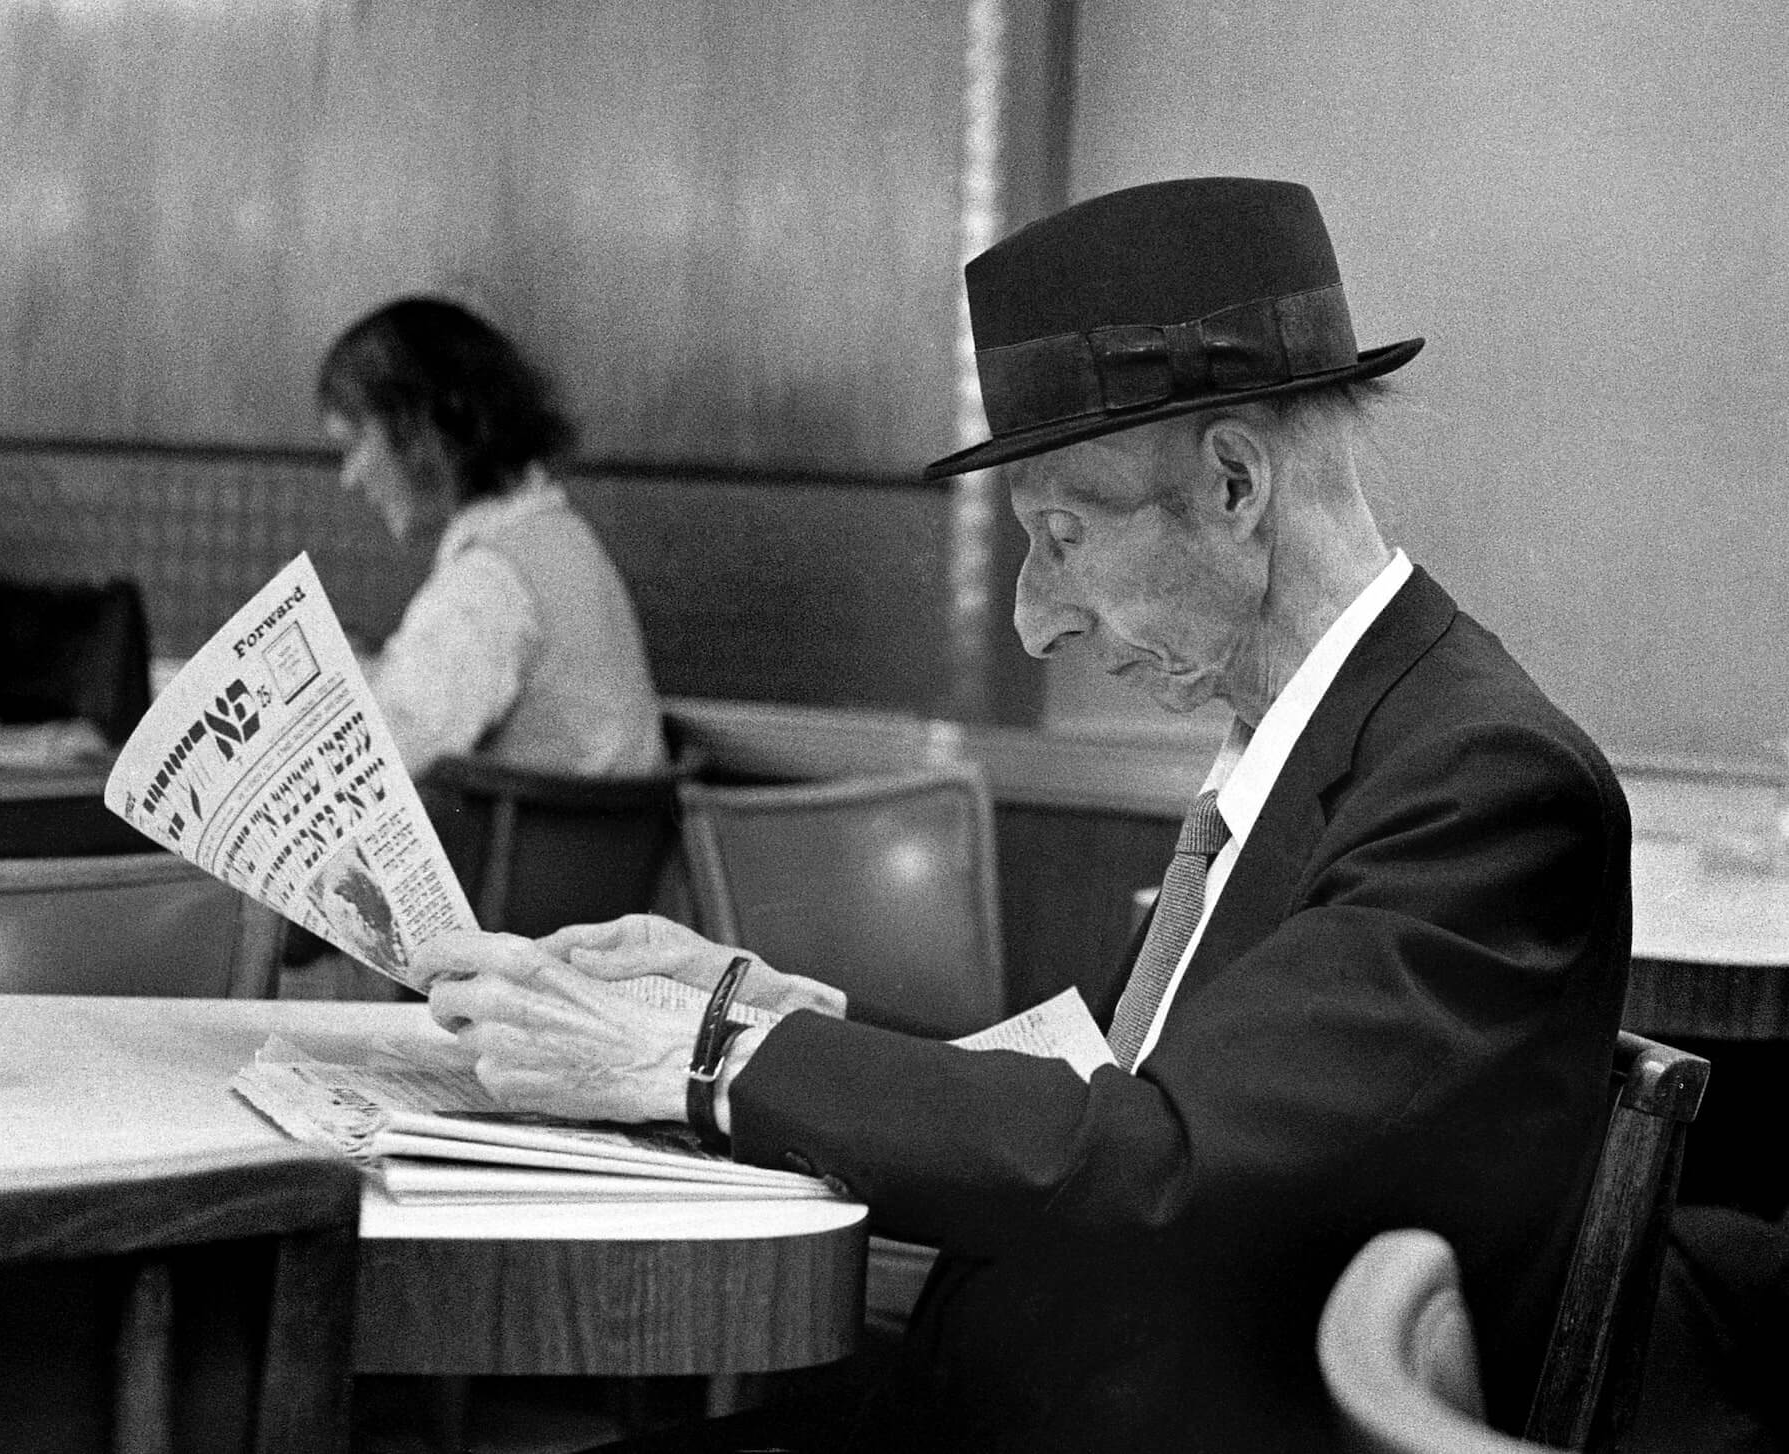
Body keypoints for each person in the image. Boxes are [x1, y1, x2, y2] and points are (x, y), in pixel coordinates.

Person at [421, 178, 1633, 1452]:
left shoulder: (1483, 780)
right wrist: (764, 1013)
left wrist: (696, 1061)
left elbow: (1153, 1157)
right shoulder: (1332, 742)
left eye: (1060, 533)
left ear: (1233, 484)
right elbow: (1105, 1095)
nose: (1033, 615)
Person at [317, 296, 667, 780]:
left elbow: (365, 774)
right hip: (600, 851)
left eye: (354, 444)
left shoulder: (485, 587)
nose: (350, 477)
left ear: (420, 431)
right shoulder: (561, 538)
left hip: (523, 854)